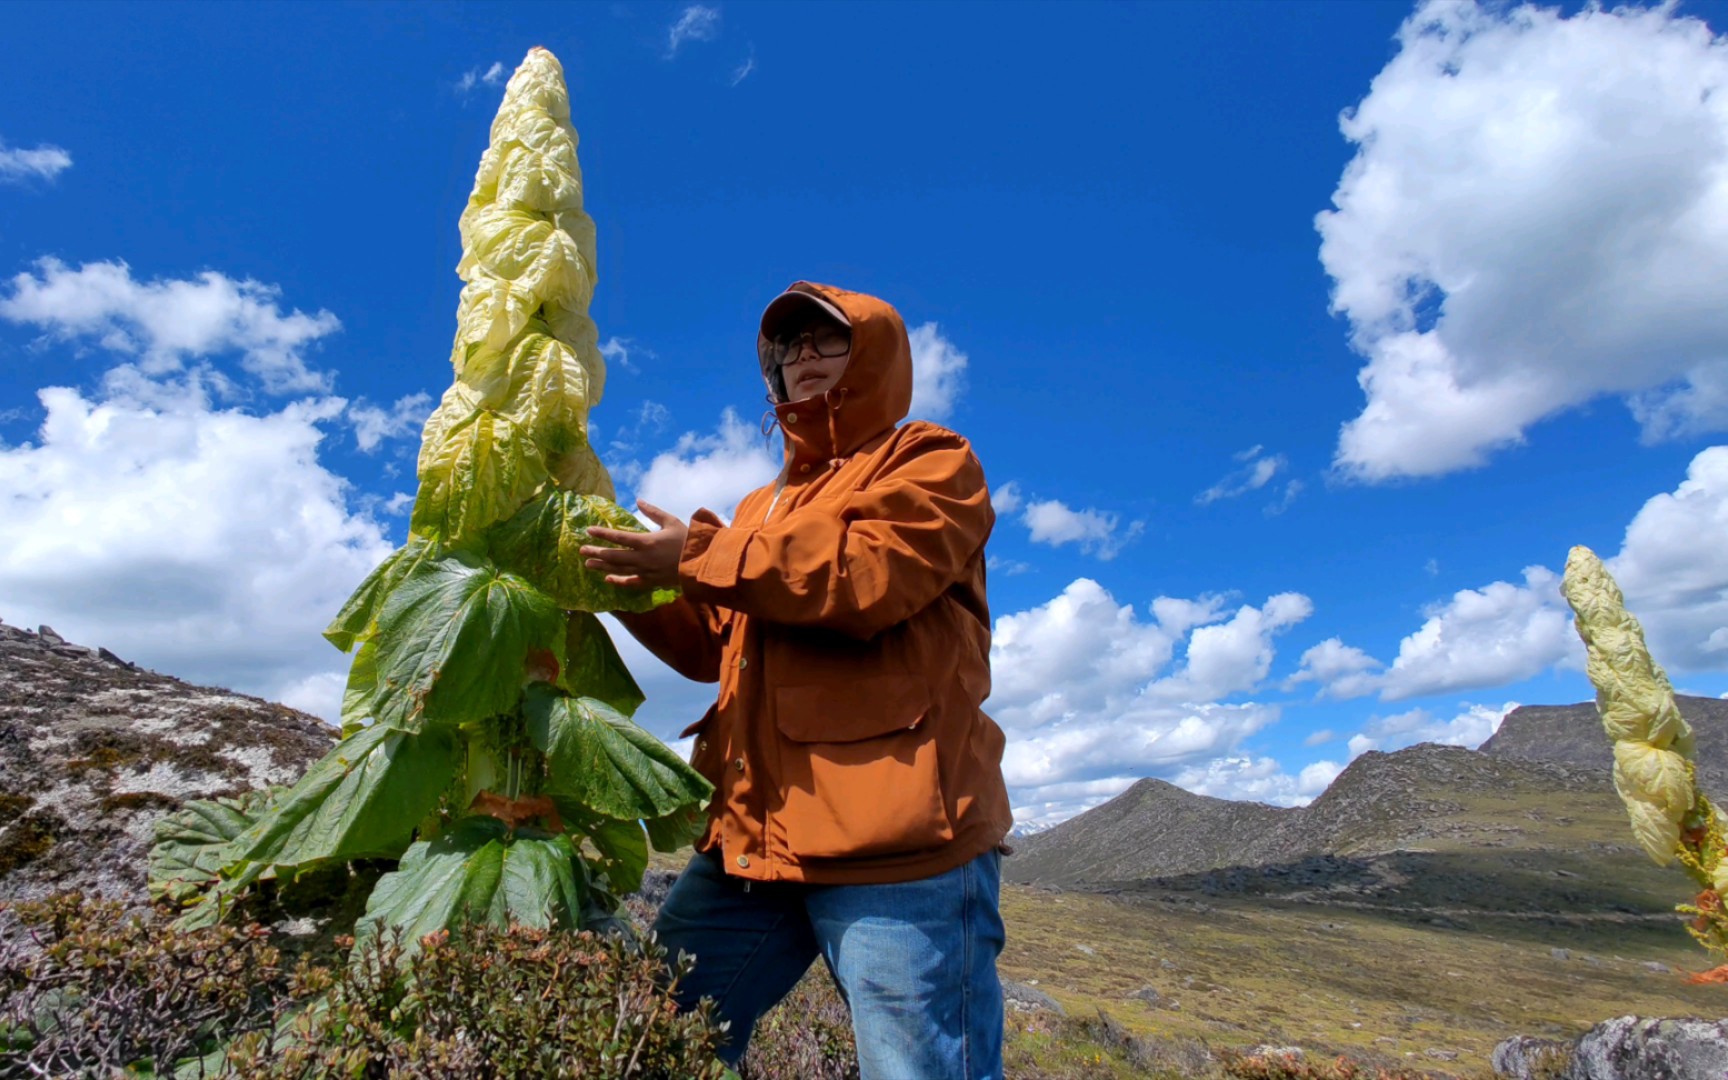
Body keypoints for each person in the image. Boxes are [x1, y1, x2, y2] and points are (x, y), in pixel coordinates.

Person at [580, 281, 1012, 1079]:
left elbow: (864, 576)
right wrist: (624, 589)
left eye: (826, 341)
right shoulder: (759, 506)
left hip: (901, 857)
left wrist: (697, 557)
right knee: (649, 1036)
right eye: (786, 350)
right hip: (752, 847)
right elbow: (715, 645)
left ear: (874, 353)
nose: (802, 359)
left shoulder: (931, 459)